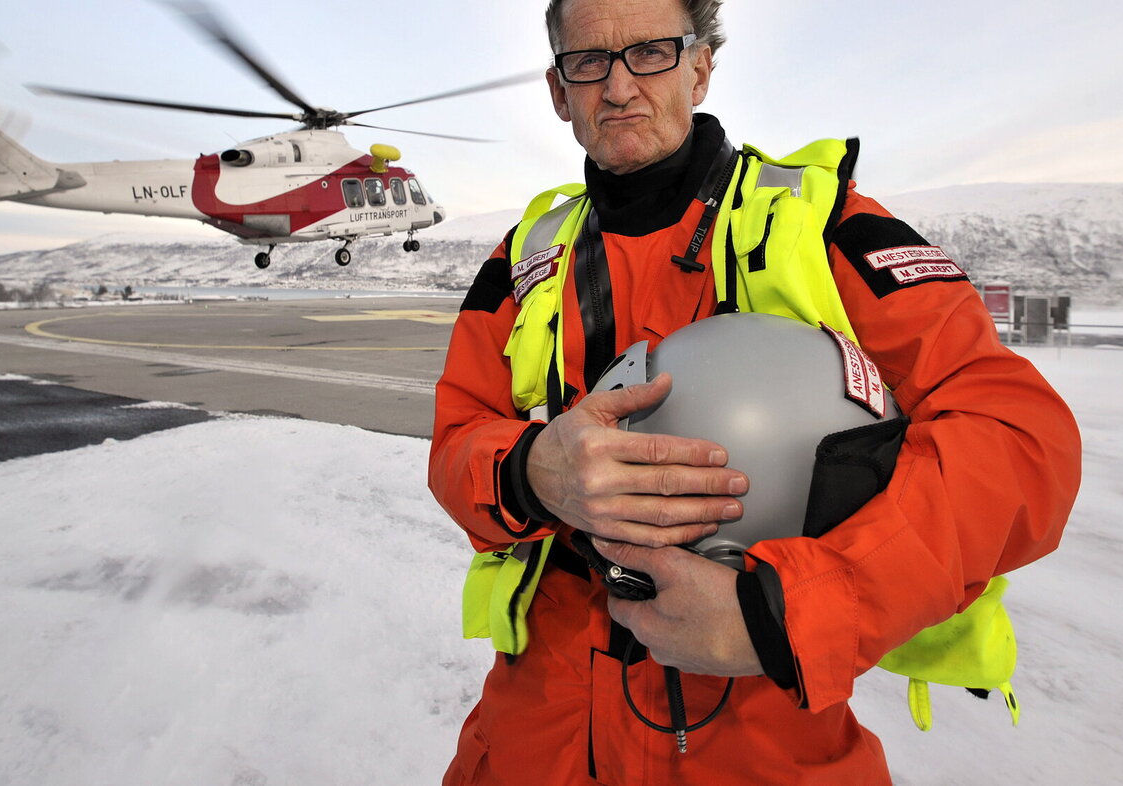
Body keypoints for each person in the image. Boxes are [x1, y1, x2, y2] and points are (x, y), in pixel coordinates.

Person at [428, 0, 1082, 782]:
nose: (620, 87)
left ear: (701, 67)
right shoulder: (526, 259)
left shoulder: (820, 222)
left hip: (759, 734)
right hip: (537, 731)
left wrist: (789, 612)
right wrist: (531, 469)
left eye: (652, 53)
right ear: (559, 91)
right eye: (589, 62)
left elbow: (1020, 439)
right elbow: (457, 439)